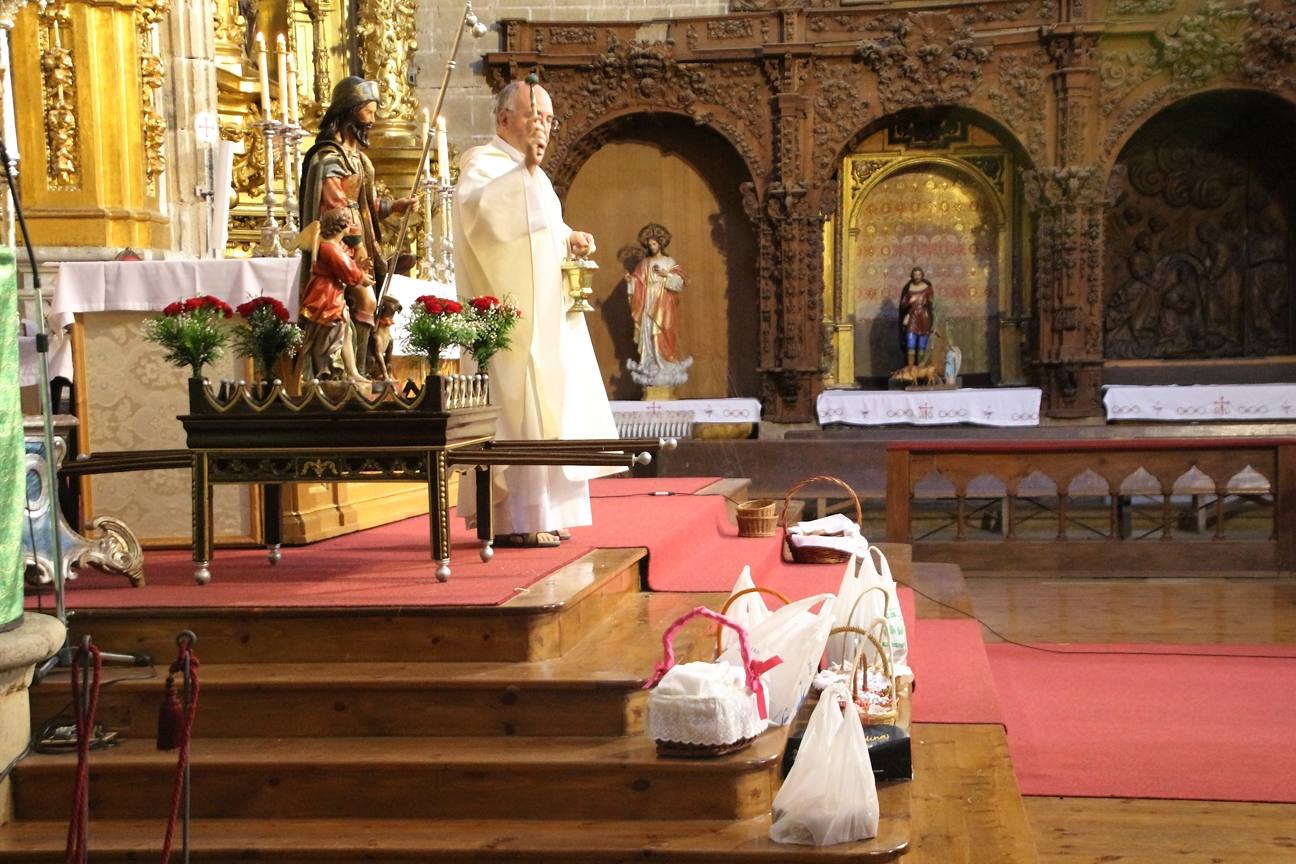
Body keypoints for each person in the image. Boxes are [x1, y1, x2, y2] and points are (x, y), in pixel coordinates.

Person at [452, 79, 621, 548]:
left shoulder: (537, 177)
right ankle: (518, 519)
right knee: (521, 409)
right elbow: (484, 218)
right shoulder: (483, 164)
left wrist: (570, 236)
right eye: (533, 116)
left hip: (548, 319)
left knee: (554, 408)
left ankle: (550, 512)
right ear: (504, 118)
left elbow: (543, 228)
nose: (542, 126)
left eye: (547, 118)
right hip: (511, 325)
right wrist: (523, 170)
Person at [298, 76, 416, 377]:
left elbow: (365, 205)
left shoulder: (360, 159)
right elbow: (336, 206)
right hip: (339, 244)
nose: (372, 120)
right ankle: (347, 371)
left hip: (361, 241)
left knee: (367, 305)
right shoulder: (328, 158)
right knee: (363, 300)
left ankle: (362, 369)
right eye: (368, 112)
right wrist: (356, 245)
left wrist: (394, 206)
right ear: (350, 111)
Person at [296, 210, 368, 384]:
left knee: (346, 332)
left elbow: (347, 263)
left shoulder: (334, 245)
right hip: (326, 296)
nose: (351, 226)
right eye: (349, 223)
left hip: (333, 293)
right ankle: (327, 371)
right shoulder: (329, 247)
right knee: (331, 334)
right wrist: (361, 277)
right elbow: (345, 269)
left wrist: (359, 268)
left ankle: (351, 371)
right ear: (341, 226)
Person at [625, 223, 693, 388]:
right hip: (648, 300)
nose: (652, 246)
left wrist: (666, 275)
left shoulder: (669, 262)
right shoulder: (645, 263)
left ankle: (665, 361)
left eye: (654, 243)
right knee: (649, 331)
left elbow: (681, 282)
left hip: (664, 303)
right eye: (650, 244)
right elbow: (638, 282)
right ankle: (651, 362)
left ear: (661, 244)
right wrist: (631, 281)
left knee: (663, 330)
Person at [898, 267, 935, 370]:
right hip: (912, 317)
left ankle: (920, 369)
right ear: (912, 276)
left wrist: (933, 322)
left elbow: (932, 305)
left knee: (922, 345)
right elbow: (903, 305)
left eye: (919, 275)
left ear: (922, 275)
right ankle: (911, 368)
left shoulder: (927, 288)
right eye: (915, 275)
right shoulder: (908, 288)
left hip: (924, 316)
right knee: (911, 343)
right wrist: (910, 303)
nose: (917, 277)